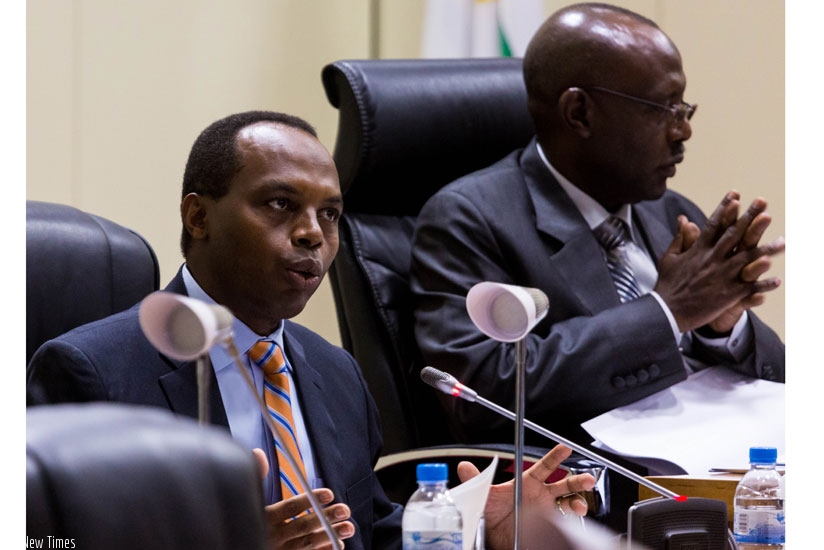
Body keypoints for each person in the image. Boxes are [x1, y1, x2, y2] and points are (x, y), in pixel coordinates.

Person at [27, 110, 597, 550]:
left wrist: (475, 530)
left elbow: (366, 533)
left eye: (330, 214)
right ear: (198, 217)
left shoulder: (334, 370)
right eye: (280, 204)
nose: (312, 235)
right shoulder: (91, 371)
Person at [410, 1, 786, 529]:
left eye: (686, 110)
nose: (683, 132)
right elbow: (483, 391)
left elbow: (778, 379)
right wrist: (667, 312)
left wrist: (727, 326)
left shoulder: (669, 212)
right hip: (586, 510)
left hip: (720, 493)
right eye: (664, 110)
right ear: (579, 113)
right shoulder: (469, 219)